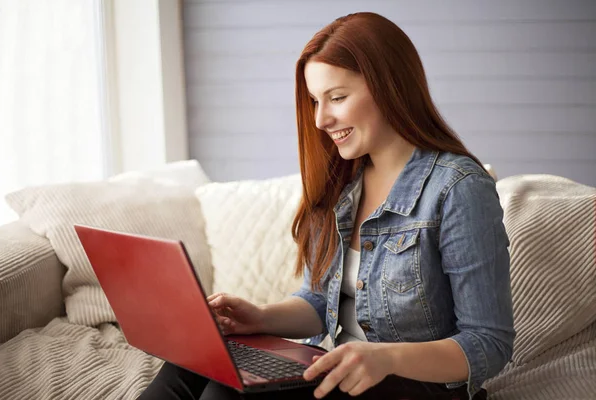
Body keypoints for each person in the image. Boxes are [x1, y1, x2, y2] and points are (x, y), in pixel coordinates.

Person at [139, 11, 515, 400]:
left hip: (417, 388)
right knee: (194, 361)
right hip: (337, 374)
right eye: (316, 100)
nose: (320, 119)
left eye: (337, 97)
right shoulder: (342, 184)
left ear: (391, 87)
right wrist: (261, 318)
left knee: (225, 390)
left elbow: (489, 342)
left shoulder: (458, 188)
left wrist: (385, 359)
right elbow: (321, 300)